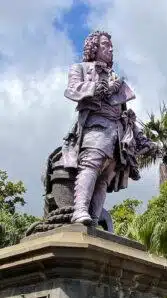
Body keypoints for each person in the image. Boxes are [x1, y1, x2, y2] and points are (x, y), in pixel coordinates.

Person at [61, 31, 158, 226]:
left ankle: (94, 219)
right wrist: (99, 88)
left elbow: (125, 115)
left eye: (111, 46)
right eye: (105, 45)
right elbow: (72, 90)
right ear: (94, 47)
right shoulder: (80, 68)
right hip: (95, 127)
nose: (111, 49)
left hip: (117, 134)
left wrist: (143, 140)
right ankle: (79, 210)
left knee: (104, 178)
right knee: (90, 166)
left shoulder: (116, 78)